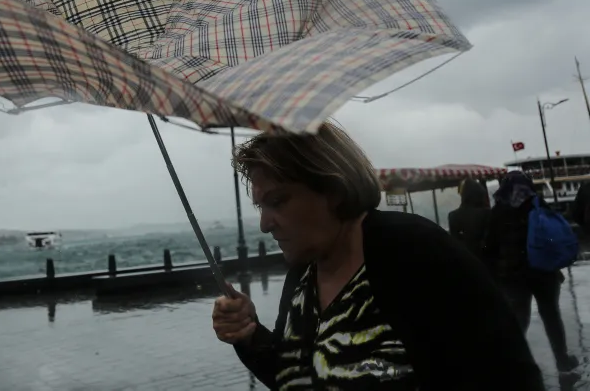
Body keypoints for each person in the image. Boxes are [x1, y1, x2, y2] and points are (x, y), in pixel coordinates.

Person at [211, 124, 544, 391]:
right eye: (261, 207)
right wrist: (249, 335)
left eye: (278, 202)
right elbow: (296, 376)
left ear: (332, 189)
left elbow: (508, 375)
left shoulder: (414, 252)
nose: (265, 224)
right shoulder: (302, 276)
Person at [484, 171, 579, 373]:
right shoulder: (537, 203)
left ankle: (517, 365)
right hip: (543, 272)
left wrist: (496, 274)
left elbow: (490, 247)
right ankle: (562, 360)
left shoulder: (498, 210)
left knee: (519, 320)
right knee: (551, 316)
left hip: (512, 276)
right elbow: (553, 235)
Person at [447, 178, 491, 262]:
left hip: (465, 260)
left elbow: (455, 242)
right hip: (486, 259)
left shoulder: (453, 216)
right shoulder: (487, 213)